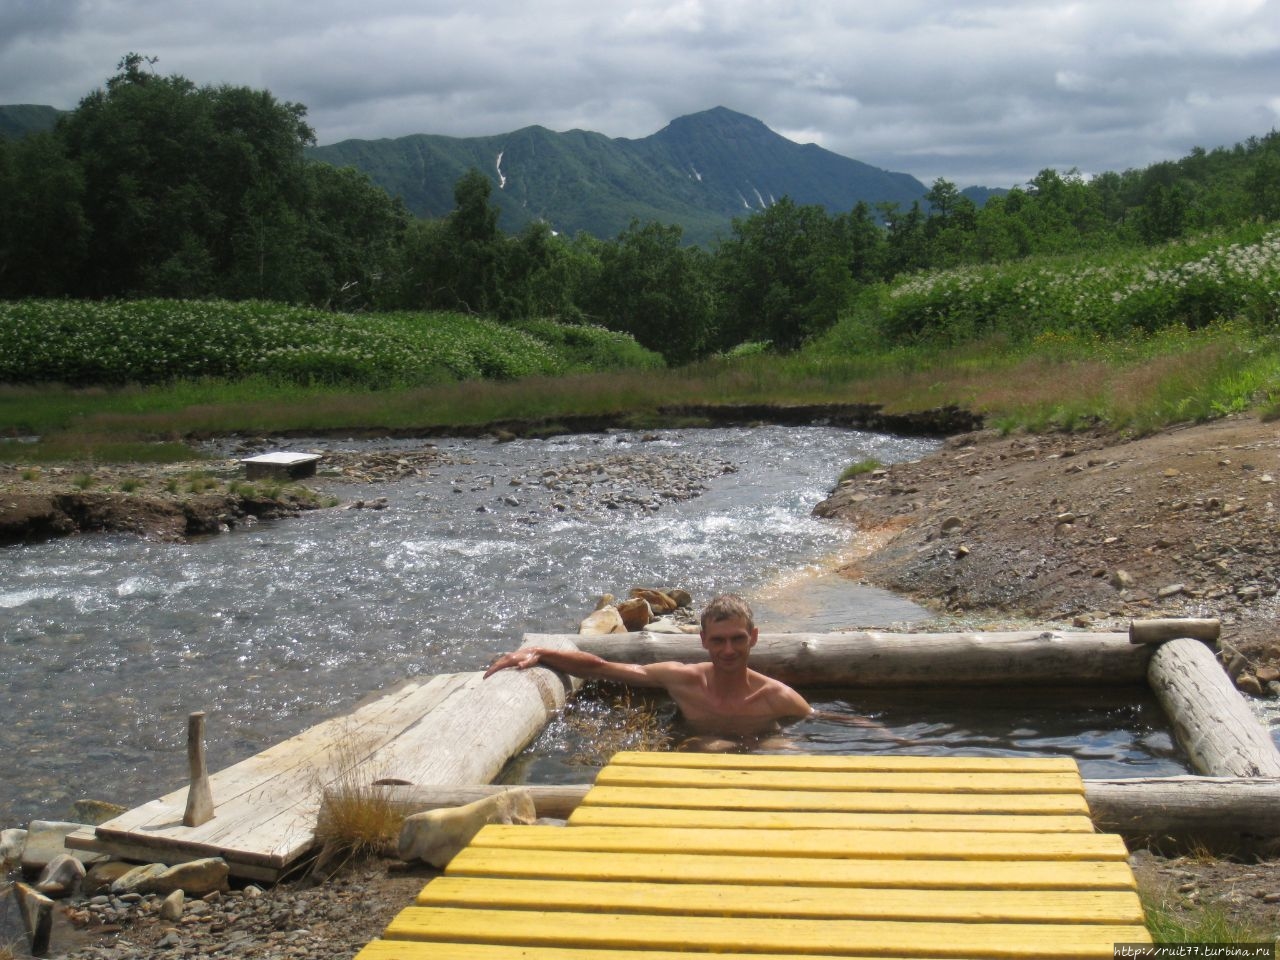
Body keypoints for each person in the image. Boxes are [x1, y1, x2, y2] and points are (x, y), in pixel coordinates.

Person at [483, 593, 812, 735]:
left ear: (753, 638)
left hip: (756, 760)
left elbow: (821, 720)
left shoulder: (778, 698)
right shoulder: (682, 680)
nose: (728, 650)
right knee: (708, 746)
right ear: (703, 641)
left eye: (737, 639)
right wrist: (541, 652)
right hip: (699, 757)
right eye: (718, 640)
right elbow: (601, 667)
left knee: (788, 751)